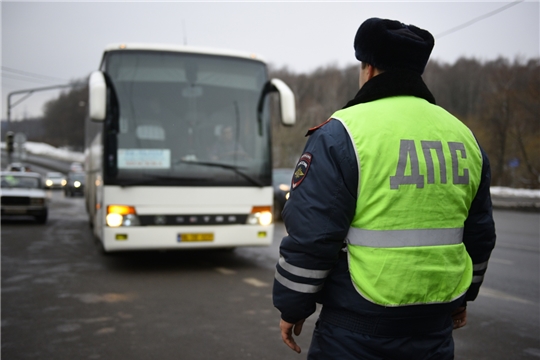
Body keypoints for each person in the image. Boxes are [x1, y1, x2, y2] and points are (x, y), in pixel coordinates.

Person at [272, 17, 496, 359]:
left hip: (357, 331)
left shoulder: (342, 134)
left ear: (368, 68)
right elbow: (479, 234)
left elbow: (313, 234)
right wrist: (463, 298)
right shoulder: (463, 136)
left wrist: (292, 307)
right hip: (434, 329)